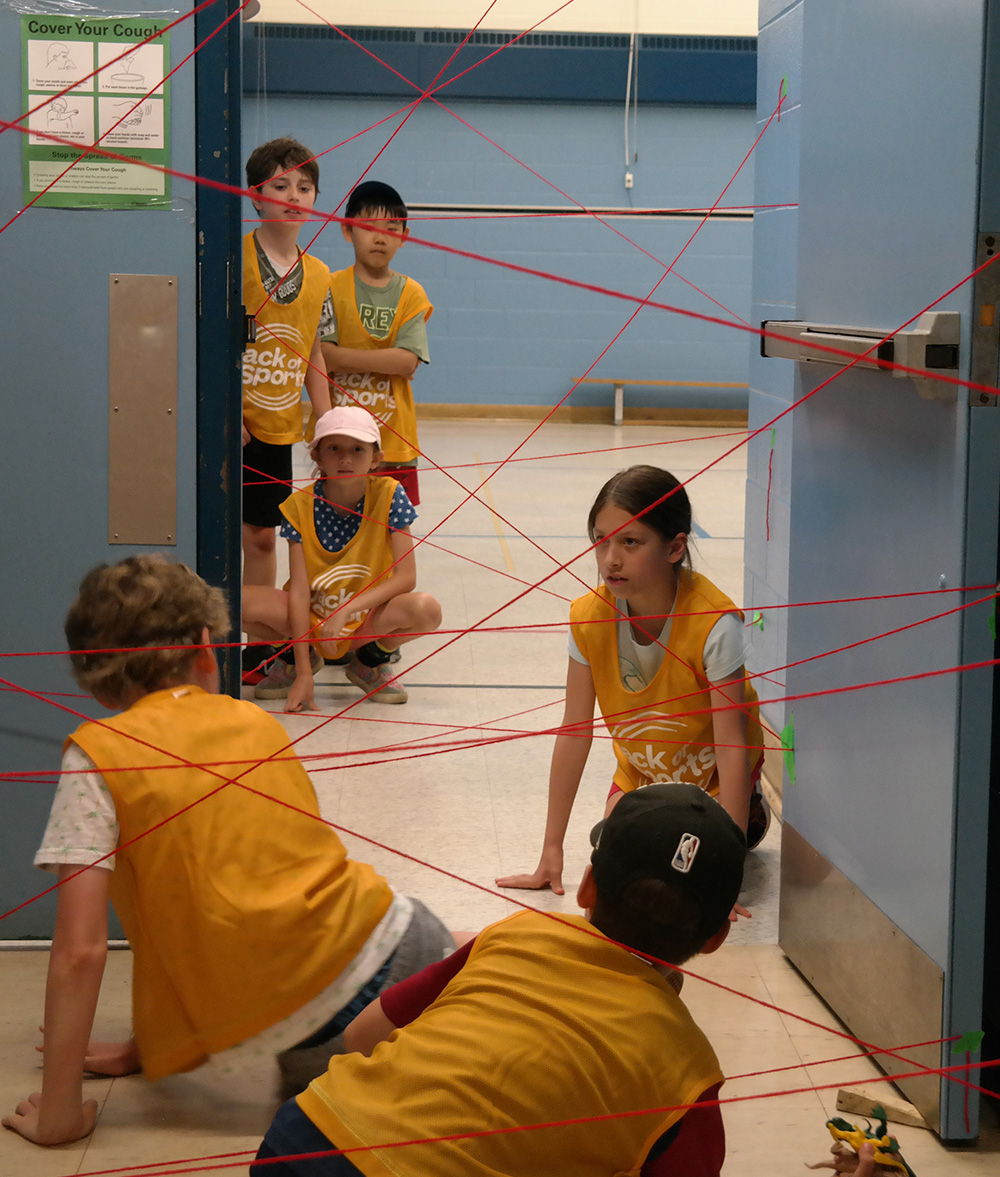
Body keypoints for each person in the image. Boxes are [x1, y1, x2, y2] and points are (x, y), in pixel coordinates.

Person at [2, 555, 455, 1148]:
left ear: (93, 672)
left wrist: (60, 1111)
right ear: (205, 646)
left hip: (328, 1028)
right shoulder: (253, 720)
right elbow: (253, 896)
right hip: (407, 945)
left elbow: (80, 953)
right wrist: (147, 1044)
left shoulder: (96, 756)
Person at [253, 783, 747, 1176]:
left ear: (587, 888)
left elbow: (360, 1036)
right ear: (716, 937)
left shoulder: (519, 932)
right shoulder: (688, 1071)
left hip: (305, 1138)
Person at [497, 465, 766, 898]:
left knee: (683, 874)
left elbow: (732, 745)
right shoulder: (588, 617)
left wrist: (726, 872)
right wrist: (551, 850)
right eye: (601, 540)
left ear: (675, 548)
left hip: (713, 779)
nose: (611, 559)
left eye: (630, 542)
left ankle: (747, 813)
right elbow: (574, 731)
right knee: (616, 861)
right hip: (643, 773)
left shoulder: (715, 623)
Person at [244, 405, 441, 711]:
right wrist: (305, 673)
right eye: (334, 448)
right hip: (310, 620)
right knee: (234, 604)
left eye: (357, 449)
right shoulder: (298, 505)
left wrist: (347, 609)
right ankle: (295, 658)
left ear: (376, 458)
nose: (346, 459)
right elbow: (299, 592)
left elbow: (406, 578)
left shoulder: (391, 494)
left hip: (365, 619)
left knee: (426, 609)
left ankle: (370, 661)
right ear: (317, 456)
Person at [241, 137, 333, 596]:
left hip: (277, 430)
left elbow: (313, 350)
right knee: (213, 534)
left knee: (262, 537)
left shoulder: (320, 274)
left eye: (304, 187)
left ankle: (253, 636)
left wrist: (327, 418)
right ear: (256, 196)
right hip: (232, 425)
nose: (294, 196)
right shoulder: (232, 258)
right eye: (281, 186)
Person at [321, 180, 432, 505]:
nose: (380, 237)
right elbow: (323, 356)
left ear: (404, 236)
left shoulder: (412, 294)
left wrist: (342, 356)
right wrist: (386, 359)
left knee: (393, 525)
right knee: (339, 522)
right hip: (340, 443)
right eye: (369, 227)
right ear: (347, 230)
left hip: (394, 443)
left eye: (391, 229)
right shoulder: (329, 287)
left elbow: (407, 362)